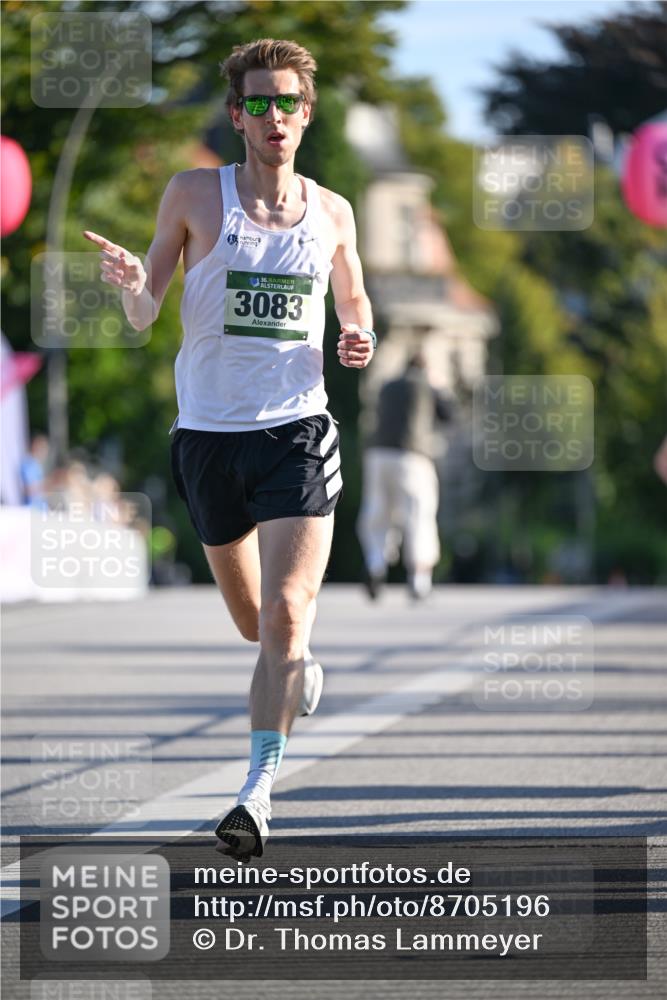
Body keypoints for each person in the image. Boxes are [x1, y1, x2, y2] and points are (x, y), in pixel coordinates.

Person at [83, 38, 375, 860]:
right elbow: (148, 309)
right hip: (209, 438)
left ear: (305, 114)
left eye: (286, 102)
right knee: (256, 626)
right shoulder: (192, 194)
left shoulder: (333, 212)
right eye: (257, 102)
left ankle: (256, 792)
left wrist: (359, 336)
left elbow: (355, 301)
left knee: (283, 612)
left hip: (297, 431)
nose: (272, 116)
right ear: (236, 115)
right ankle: (295, 663)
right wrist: (131, 287)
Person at [357, 350, 451, 601]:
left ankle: (375, 564)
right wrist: (440, 387)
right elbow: (448, 416)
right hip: (412, 456)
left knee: (377, 513)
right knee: (418, 515)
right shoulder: (427, 386)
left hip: (377, 454)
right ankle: (419, 580)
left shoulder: (388, 386)